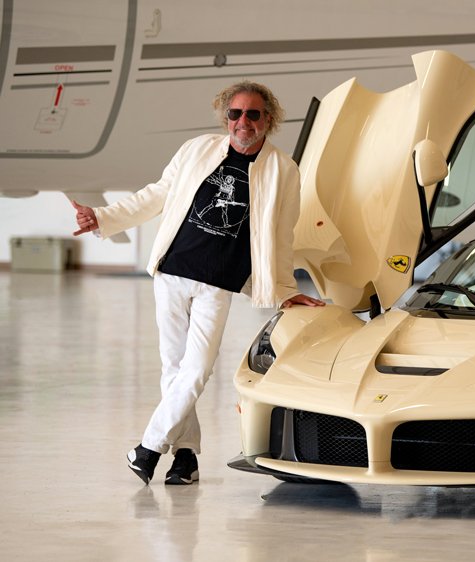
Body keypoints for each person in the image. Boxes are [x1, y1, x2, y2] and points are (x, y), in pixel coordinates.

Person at [70, 81, 324, 486]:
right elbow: (156, 195)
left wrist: (285, 288)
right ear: (226, 118)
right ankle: (186, 458)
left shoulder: (283, 169)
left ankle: (148, 448)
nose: (243, 122)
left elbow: (282, 233)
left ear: (269, 120)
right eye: (235, 114)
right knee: (174, 370)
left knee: (197, 370)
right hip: (173, 272)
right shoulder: (196, 150)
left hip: (217, 283)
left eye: (253, 114)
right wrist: (103, 217)